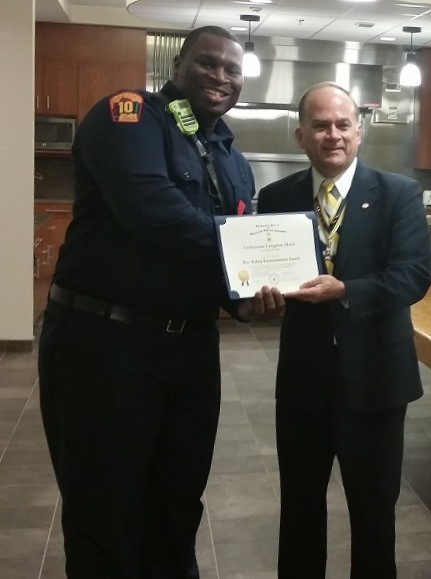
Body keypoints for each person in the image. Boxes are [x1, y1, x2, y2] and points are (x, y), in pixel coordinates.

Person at [38, 26, 283, 579]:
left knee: (177, 504)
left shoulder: (233, 159)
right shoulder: (130, 118)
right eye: (208, 63)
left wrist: (244, 301)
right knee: (106, 509)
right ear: (178, 63)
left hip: (191, 352)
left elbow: (221, 258)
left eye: (233, 70)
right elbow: (157, 214)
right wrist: (244, 255)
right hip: (106, 347)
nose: (222, 76)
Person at [257, 82, 431, 579]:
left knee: (375, 515)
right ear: (300, 135)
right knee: (300, 511)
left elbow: (413, 276)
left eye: (342, 124)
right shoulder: (277, 196)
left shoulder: (399, 194)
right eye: (320, 125)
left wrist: (347, 290)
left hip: (377, 381)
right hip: (303, 381)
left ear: (359, 131)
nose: (332, 134)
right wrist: (258, 302)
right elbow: (261, 275)